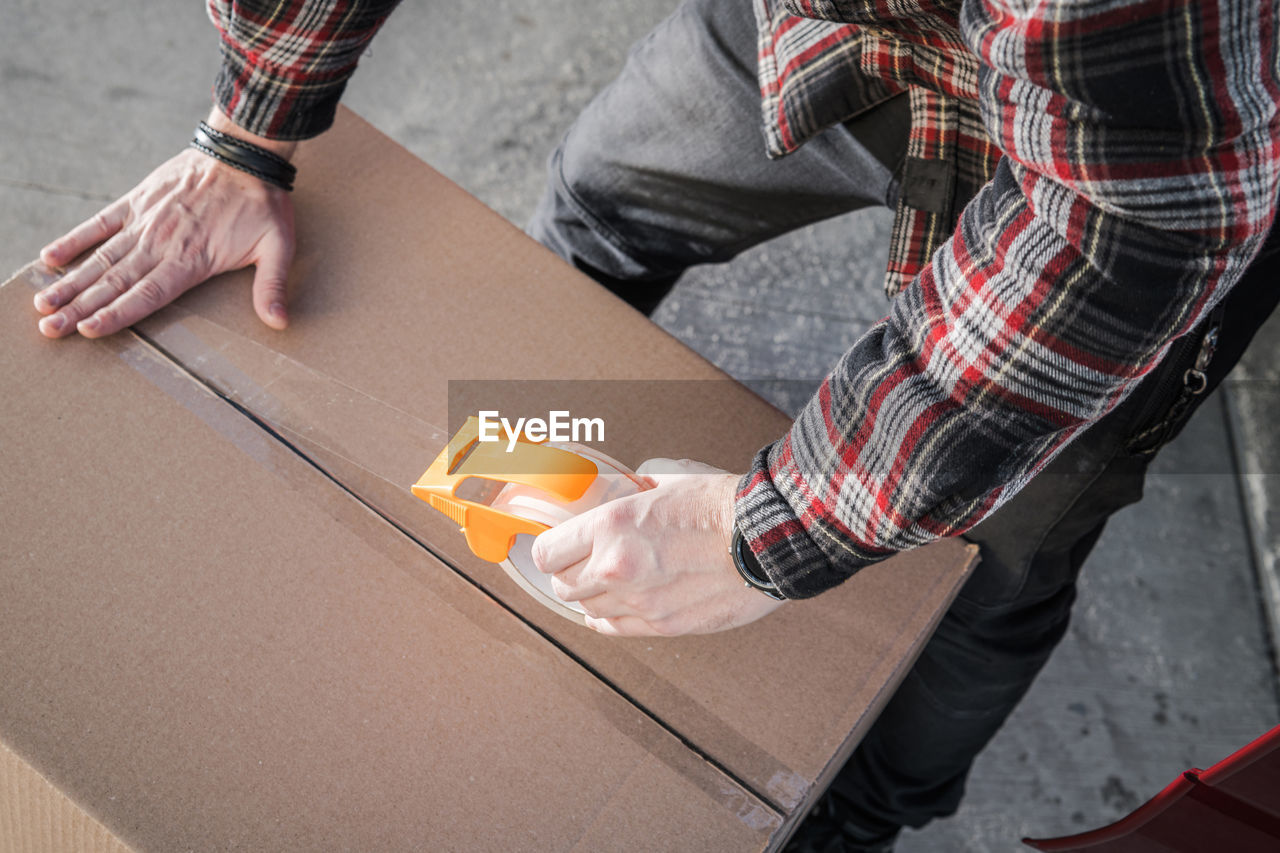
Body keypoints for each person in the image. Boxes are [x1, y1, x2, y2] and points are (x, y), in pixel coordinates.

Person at [31, 0, 1280, 849]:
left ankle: (848, 815)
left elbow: (1129, 222)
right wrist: (251, 124)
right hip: (823, 28)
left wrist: (771, 531)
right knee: (601, 202)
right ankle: (523, 469)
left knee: (1002, 536)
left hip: (1158, 152)